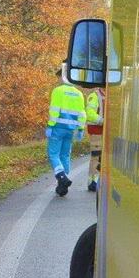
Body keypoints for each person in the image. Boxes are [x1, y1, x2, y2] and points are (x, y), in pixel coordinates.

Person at [46, 63, 86, 196]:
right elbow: (82, 114)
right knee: (65, 155)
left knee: (53, 154)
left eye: (59, 77)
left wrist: (50, 125)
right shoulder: (79, 94)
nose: (58, 80)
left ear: (62, 77)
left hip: (57, 128)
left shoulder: (58, 91)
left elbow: (54, 111)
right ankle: (62, 186)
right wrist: (81, 129)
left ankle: (62, 177)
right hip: (70, 130)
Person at [85, 88, 105, 192]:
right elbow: (89, 113)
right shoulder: (95, 96)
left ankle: (98, 180)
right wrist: (102, 121)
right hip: (96, 131)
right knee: (96, 156)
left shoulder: (111, 95)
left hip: (107, 132)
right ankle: (92, 182)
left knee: (103, 157)